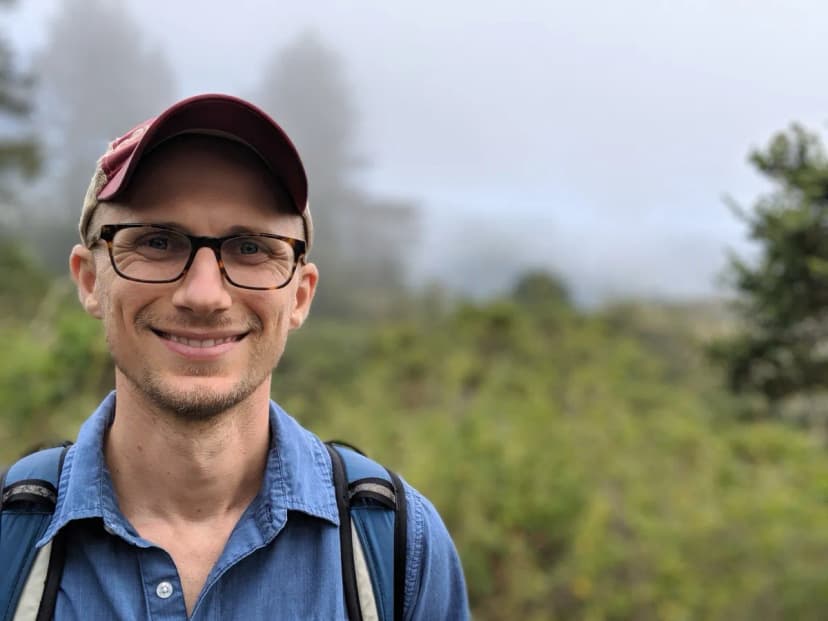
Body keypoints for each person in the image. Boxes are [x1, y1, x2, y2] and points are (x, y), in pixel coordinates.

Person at [40, 94, 470, 619]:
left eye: (250, 248)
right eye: (156, 241)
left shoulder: (398, 549)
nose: (204, 295)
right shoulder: (11, 544)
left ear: (301, 295)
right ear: (89, 280)